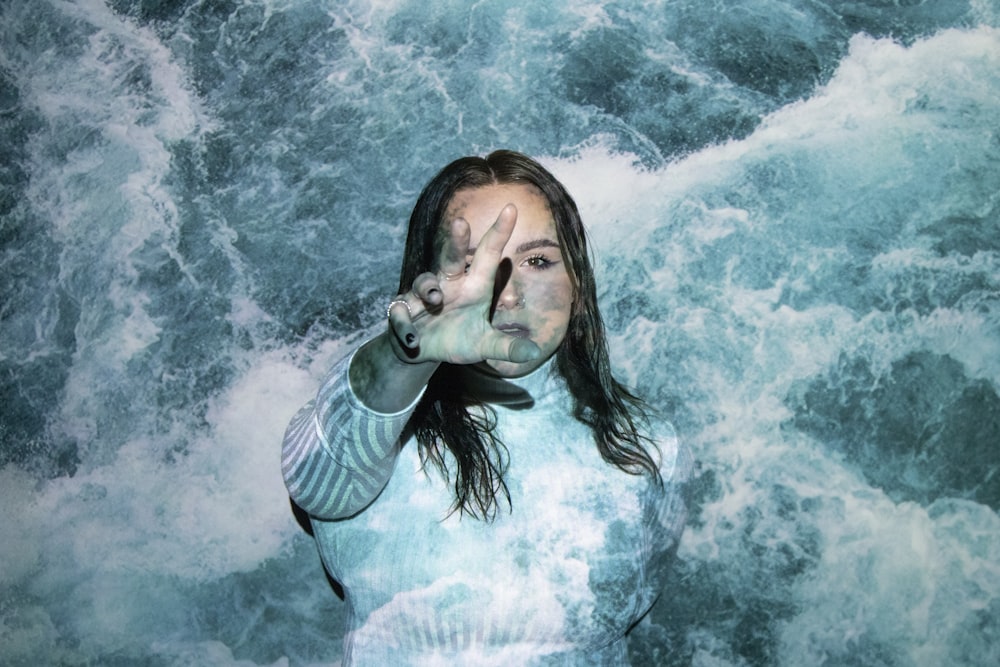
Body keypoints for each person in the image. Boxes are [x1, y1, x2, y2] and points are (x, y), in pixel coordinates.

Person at [282, 150, 691, 665]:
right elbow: (316, 476)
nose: (508, 293)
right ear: (427, 280)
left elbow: (634, 610)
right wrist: (403, 355)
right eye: (474, 266)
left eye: (538, 261)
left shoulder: (650, 446)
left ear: (578, 286)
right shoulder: (371, 422)